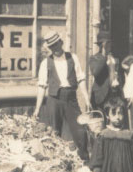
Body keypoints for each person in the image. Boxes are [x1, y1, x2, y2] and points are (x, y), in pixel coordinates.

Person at [33, 32, 90, 160]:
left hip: (71, 98)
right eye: (52, 47)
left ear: (61, 43)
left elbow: (81, 79)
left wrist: (86, 98)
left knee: (80, 129)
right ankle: (55, 161)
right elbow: (42, 86)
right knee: (54, 132)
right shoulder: (46, 63)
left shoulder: (73, 58)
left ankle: (84, 159)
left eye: (56, 45)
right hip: (54, 99)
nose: (55, 49)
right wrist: (37, 108)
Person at [87, 30, 122, 118]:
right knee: (100, 120)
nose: (109, 46)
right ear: (101, 45)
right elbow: (96, 72)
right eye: (106, 44)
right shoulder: (95, 58)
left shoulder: (116, 58)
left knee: (114, 119)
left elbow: (120, 74)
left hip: (114, 95)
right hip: (100, 96)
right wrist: (103, 55)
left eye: (109, 43)